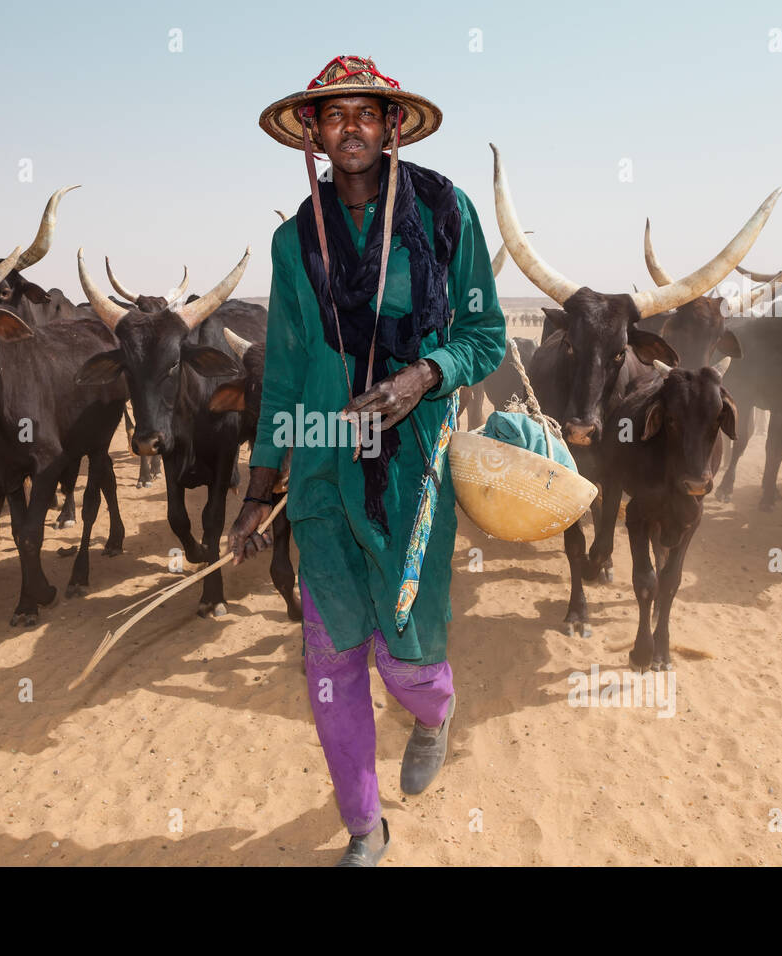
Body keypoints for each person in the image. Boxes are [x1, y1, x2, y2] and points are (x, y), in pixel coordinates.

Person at [229, 55, 506, 866]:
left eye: (366, 113)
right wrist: (256, 492)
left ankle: (431, 712)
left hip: (412, 468)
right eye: (333, 115)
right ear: (311, 133)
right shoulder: (290, 242)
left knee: (410, 656)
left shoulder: (445, 212)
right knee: (332, 657)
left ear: (391, 126)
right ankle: (362, 823)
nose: (350, 128)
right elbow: (281, 374)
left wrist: (425, 376)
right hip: (318, 473)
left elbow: (484, 336)